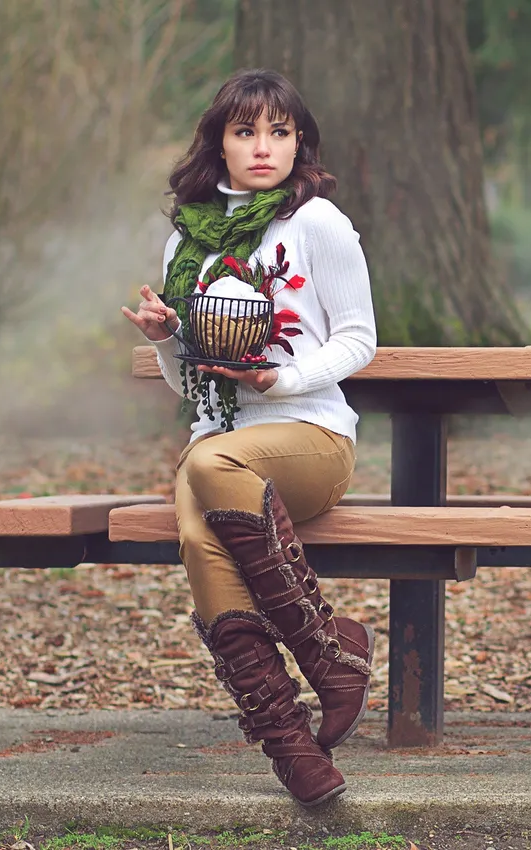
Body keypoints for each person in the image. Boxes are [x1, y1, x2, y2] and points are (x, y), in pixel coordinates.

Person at [121, 69, 377, 808]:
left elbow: (359, 339)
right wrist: (169, 340)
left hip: (310, 437)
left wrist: (282, 381)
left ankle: (325, 658)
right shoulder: (186, 243)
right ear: (220, 144)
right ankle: (289, 741)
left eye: (278, 131)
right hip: (219, 444)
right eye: (245, 132)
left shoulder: (317, 222)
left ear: (298, 143)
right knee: (198, 527)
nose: (263, 146)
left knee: (204, 466)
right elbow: (189, 385)